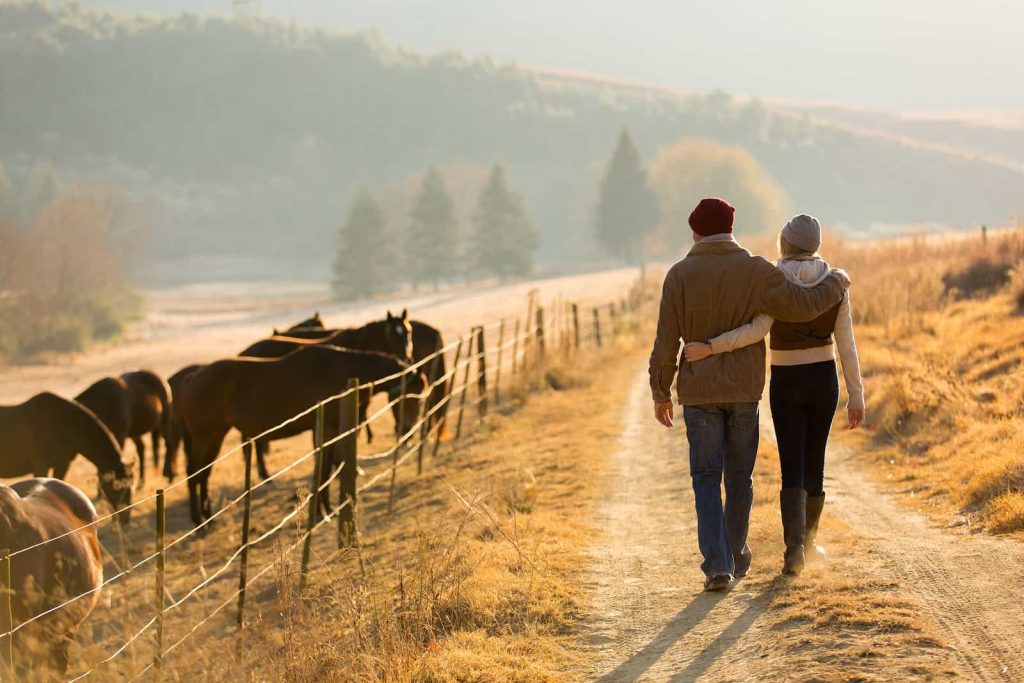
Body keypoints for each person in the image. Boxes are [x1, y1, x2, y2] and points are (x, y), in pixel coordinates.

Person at [649, 198, 849, 592]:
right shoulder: (756, 270)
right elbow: (802, 305)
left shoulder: (678, 275)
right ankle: (736, 553)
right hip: (744, 389)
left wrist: (661, 391)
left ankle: (719, 565)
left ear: (695, 231)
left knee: (706, 477)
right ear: (732, 228)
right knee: (739, 477)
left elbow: (665, 340)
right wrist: (836, 281)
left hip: (699, 391)